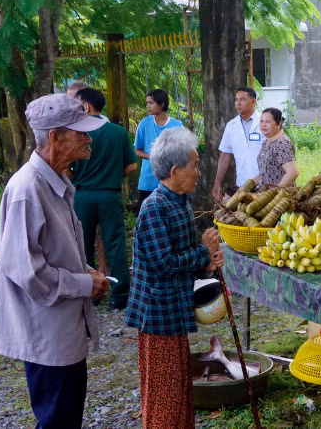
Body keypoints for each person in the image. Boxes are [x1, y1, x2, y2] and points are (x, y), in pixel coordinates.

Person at [0, 94, 110, 428]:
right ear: (56, 137)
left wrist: (86, 271)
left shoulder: (57, 179)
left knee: (64, 417)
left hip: (62, 329)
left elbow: (56, 250)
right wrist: (84, 283)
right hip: (46, 333)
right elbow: (27, 271)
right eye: (81, 133)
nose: (89, 139)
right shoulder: (27, 189)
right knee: (57, 419)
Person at [125, 127, 225, 428]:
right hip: (158, 314)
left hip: (174, 310)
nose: (198, 172)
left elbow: (181, 253)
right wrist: (203, 253)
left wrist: (203, 265)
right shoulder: (154, 207)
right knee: (164, 392)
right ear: (174, 170)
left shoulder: (179, 201)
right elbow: (163, 263)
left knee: (180, 387)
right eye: (194, 165)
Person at [69, 87, 138, 310]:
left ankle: (90, 294)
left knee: (82, 245)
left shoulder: (76, 132)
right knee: (115, 244)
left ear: (86, 106)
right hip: (110, 195)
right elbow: (131, 165)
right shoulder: (118, 132)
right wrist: (113, 175)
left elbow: (67, 168)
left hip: (83, 195)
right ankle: (120, 296)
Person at [134, 89, 183, 210]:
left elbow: (183, 152)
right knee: (146, 218)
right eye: (147, 103)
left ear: (162, 104)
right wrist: (153, 156)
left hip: (170, 181)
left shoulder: (177, 125)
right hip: (147, 182)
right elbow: (137, 150)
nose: (148, 106)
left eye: (151, 103)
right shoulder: (144, 124)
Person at [212, 87, 264, 200]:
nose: (238, 103)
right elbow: (225, 155)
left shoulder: (264, 122)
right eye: (236, 100)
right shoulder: (231, 125)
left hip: (265, 184)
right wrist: (217, 182)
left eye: (243, 99)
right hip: (242, 185)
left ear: (253, 101)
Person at [254, 107, 298, 188]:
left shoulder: (282, 143)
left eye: (267, 122)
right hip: (266, 196)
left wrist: (274, 192)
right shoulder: (266, 142)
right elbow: (265, 171)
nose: (263, 125)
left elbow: (293, 172)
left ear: (278, 124)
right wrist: (250, 184)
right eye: (261, 121)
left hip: (281, 197)